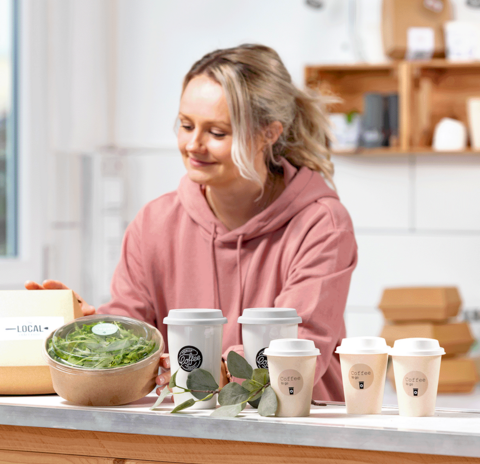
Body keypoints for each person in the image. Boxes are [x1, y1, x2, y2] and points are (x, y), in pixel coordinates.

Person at [26, 44, 357, 401]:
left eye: (217, 133)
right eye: (186, 125)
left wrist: (205, 370)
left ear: (269, 133)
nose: (193, 145)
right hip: (187, 428)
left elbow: (299, 348)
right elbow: (135, 326)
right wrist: (89, 327)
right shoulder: (155, 222)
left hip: (301, 428)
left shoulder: (321, 224)